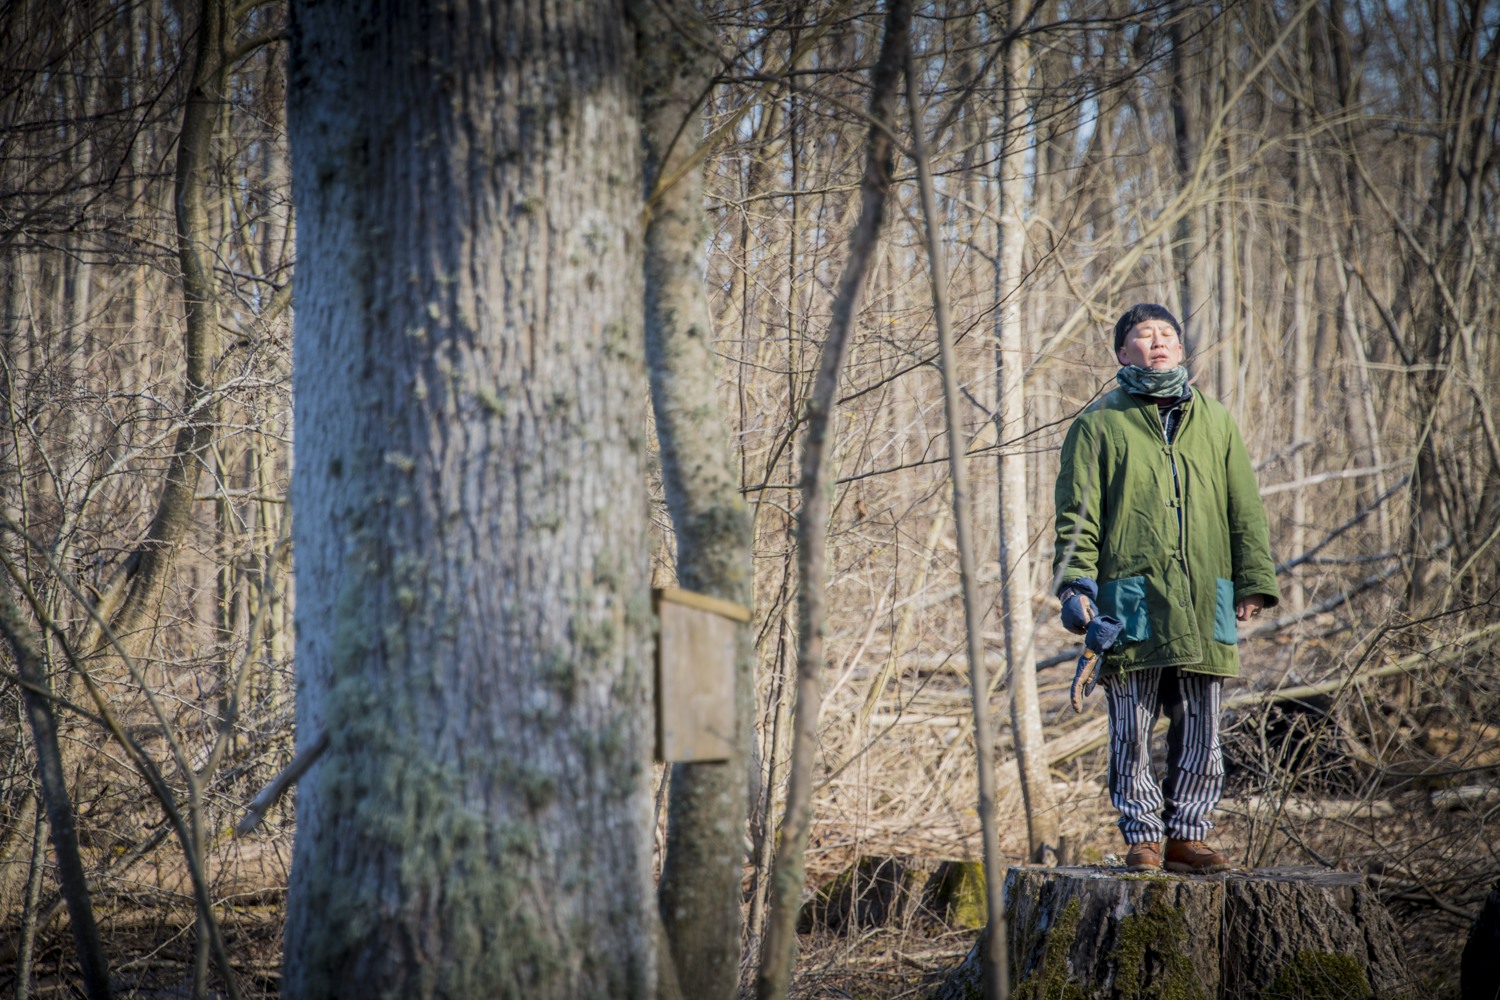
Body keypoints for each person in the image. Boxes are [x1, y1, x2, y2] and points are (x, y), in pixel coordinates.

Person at [1052, 303, 1280, 873]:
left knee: (1201, 723)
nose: (1157, 343)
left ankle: (1188, 834)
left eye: (1166, 335)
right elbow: (1076, 517)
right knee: (1130, 725)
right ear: (1121, 353)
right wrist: (1076, 587)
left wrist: (1253, 580)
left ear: (1181, 350)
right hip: (1131, 596)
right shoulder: (1099, 422)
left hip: (1209, 595)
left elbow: (1244, 508)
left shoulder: (1217, 419)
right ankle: (1144, 836)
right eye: (1143, 335)